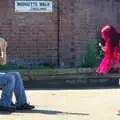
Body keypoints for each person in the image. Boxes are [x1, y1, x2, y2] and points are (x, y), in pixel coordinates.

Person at [96, 24, 120, 114]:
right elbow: (112, 51)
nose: (103, 36)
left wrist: (105, 49)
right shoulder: (114, 40)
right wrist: (104, 48)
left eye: (104, 34)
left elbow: (114, 52)